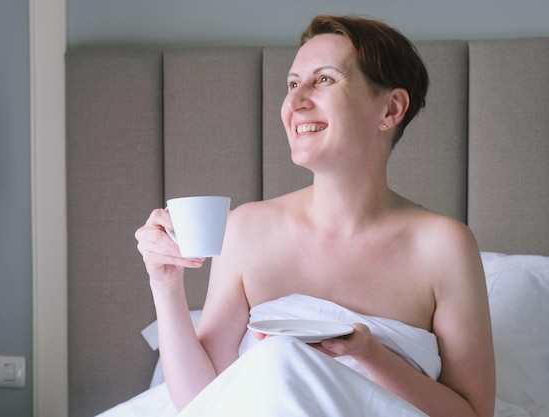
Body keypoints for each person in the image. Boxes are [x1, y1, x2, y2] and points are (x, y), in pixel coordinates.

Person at [135, 14, 495, 417]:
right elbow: (202, 401)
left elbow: (473, 413)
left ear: (391, 108)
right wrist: (164, 285)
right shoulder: (247, 229)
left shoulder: (443, 246)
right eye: (292, 84)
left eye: (324, 79)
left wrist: (371, 354)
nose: (295, 101)